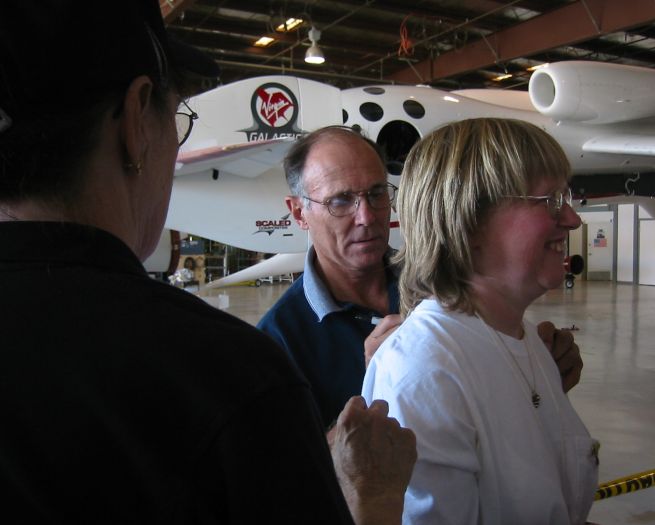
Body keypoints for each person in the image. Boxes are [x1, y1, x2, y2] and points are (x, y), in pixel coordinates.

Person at [0, 2, 415, 523]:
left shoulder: (432, 289)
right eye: (176, 117)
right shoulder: (239, 369)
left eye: (377, 193)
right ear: (136, 120)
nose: (365, 216)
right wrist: (371, 496)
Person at [258, 125, 584, 430]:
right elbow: (292, 475)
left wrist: (532, 375)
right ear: (299, 213)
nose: (367, 216)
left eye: (376, 194)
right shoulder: (277, 342)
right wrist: (383, 388)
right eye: (340, 201)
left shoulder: (440, 282)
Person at [362, 118, 599, 524]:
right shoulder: (424, 372)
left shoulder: (521, 340)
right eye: (551, 200)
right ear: (469, 222)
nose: (573, 219)